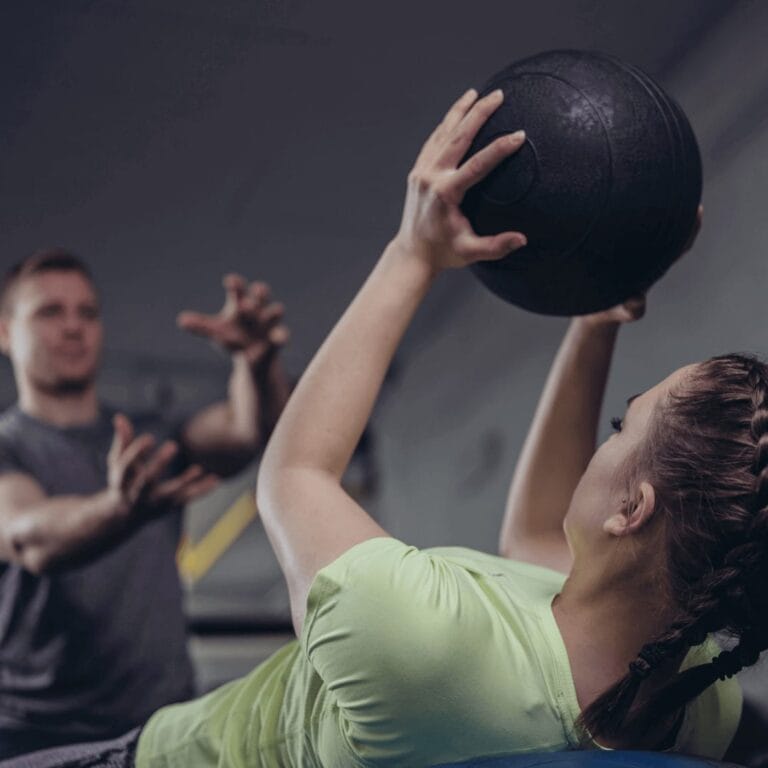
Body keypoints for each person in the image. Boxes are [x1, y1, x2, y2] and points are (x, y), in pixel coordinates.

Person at [6, 89, 767, 768]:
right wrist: (597, 319)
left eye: (617, 427)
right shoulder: (692, 694)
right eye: (51, 313)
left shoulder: (421, 646)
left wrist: (414, 253)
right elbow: (539, 544)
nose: (74, 327)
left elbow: (293, 472)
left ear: (631, 509)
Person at [0, 252, 290, 758]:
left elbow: (247, 431)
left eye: (87, 313)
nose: (74, 327)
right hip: (40, 739)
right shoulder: (10, 447)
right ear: (6, 333)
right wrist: (119, 507)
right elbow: (27, 536)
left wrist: (256, 364)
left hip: (159, 726)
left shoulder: (149, 439)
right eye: (50, 312)